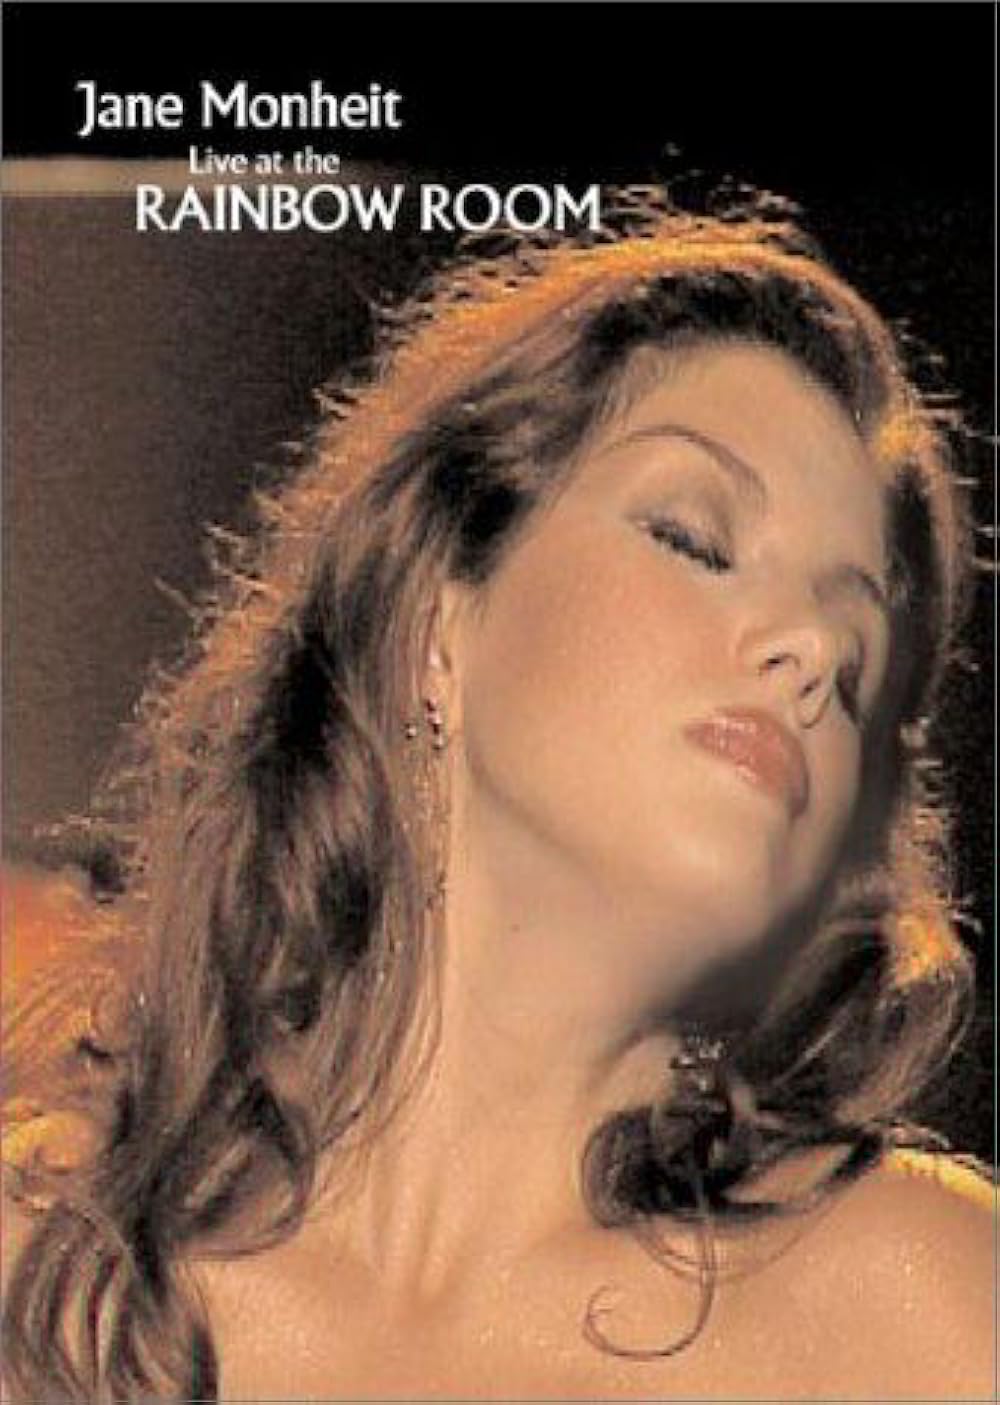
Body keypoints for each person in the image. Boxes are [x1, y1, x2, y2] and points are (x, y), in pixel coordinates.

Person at [1, 192, 993, 1402]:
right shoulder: (48, 1281)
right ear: (437, 615)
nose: (806, 647)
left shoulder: (919, 1303)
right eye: (694, 537)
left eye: (855, 663)